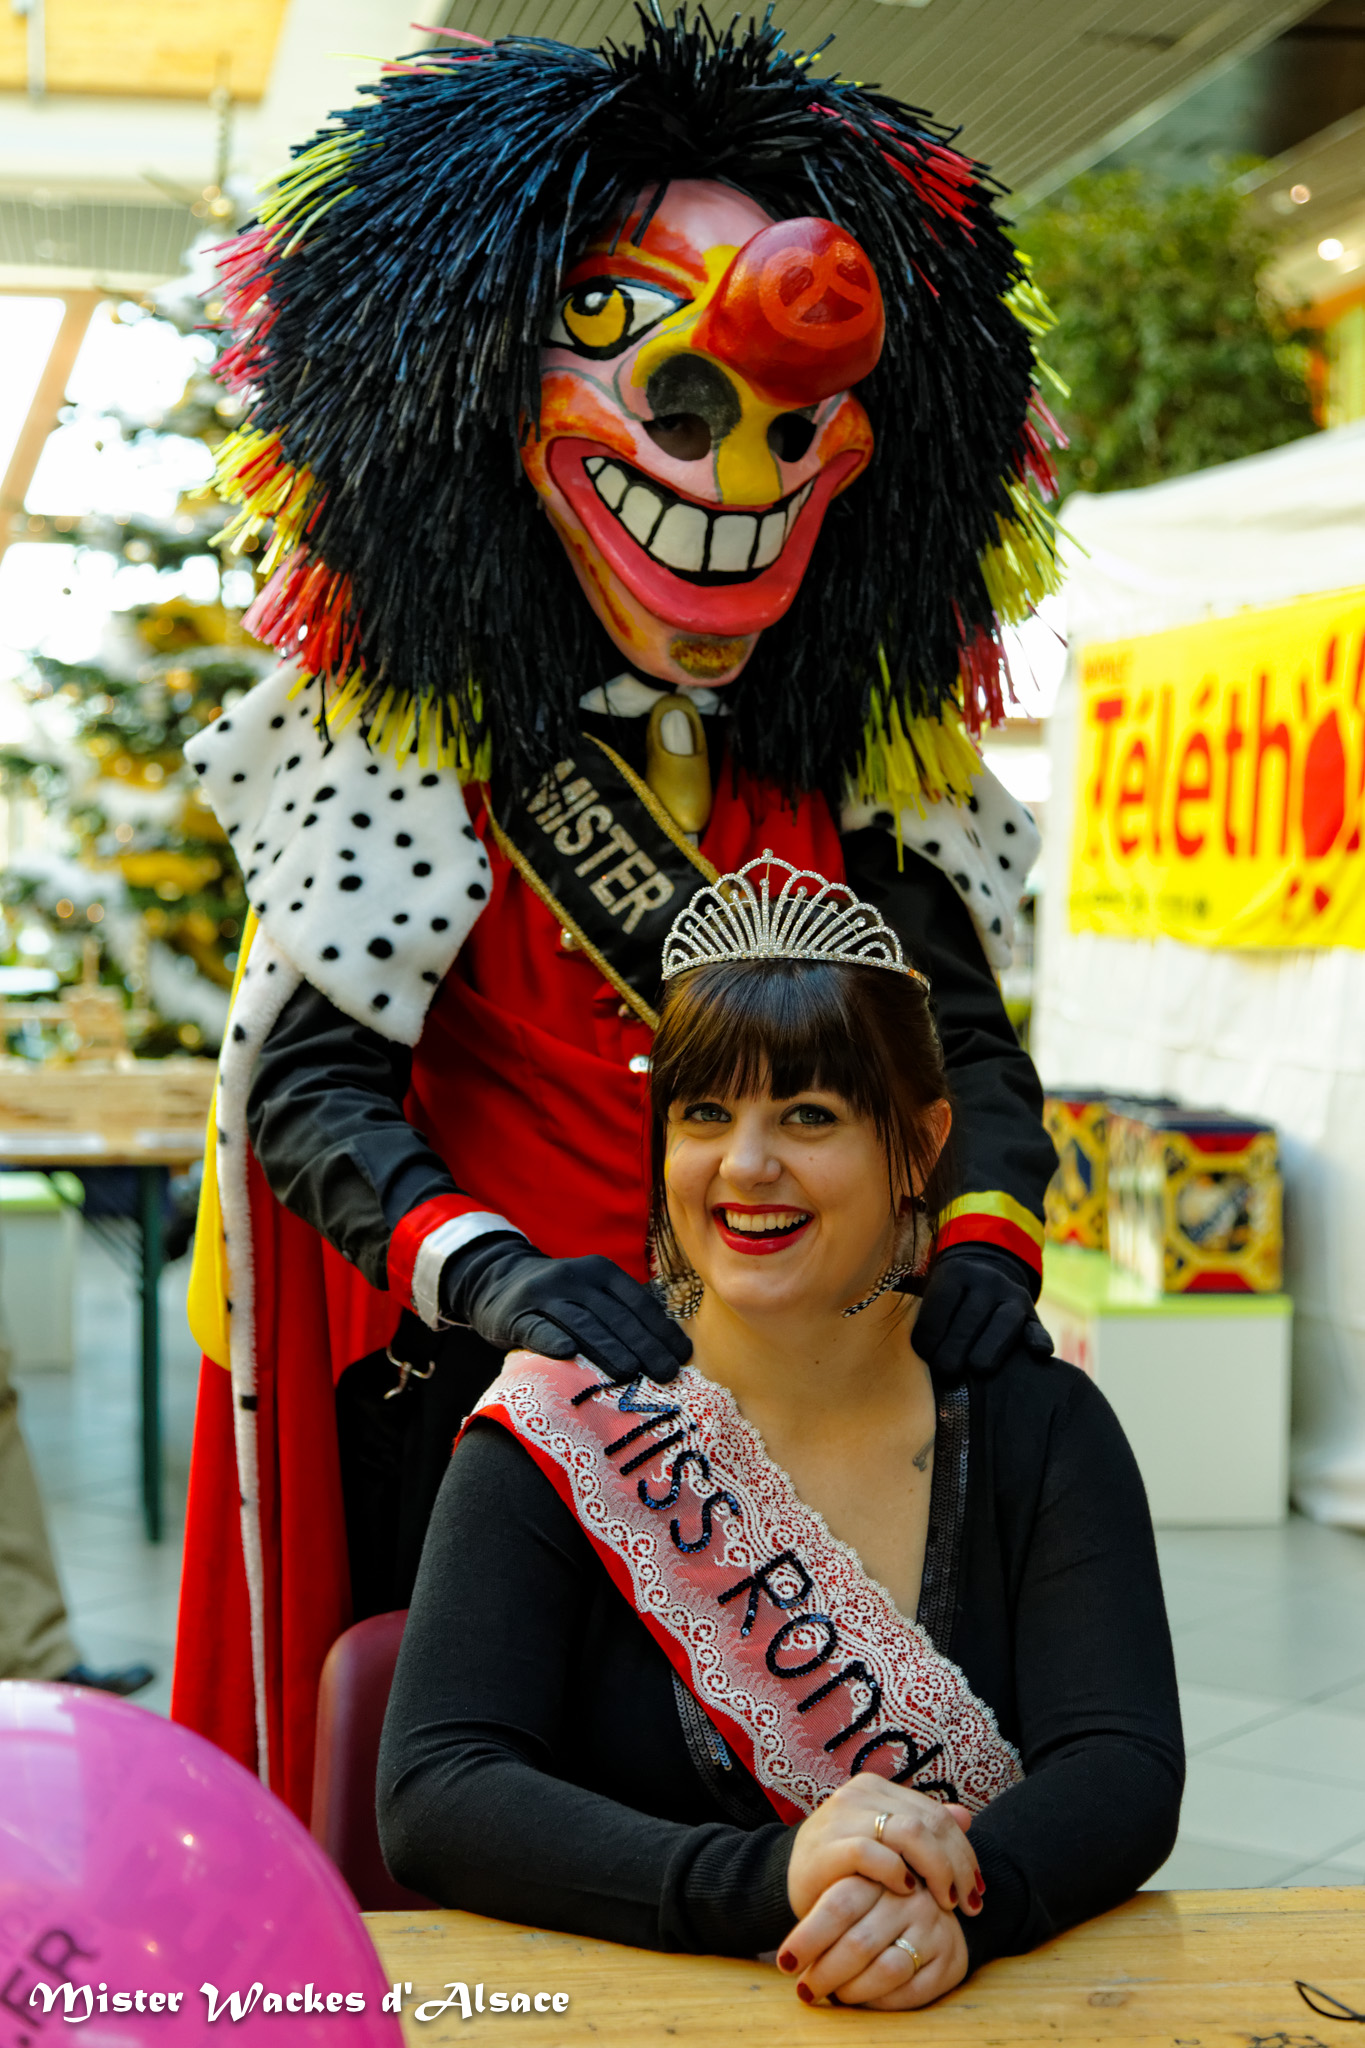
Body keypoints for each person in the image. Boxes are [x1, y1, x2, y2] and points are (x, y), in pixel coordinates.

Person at [174, 9, 1063, 1816]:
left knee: (807, 1821)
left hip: (816, 1390)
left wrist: (985, 1241)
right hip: (505, 1402)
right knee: (505, 1802)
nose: (727, 453)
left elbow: (964, 1047)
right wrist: (486, 1268)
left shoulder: (858, 762)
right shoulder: (412, 744)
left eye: (784, 416)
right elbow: (310, 1090)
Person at [377, 855, 1183, 2006]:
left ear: (919, 1144)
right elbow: (437, 1792)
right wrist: (774, 1877)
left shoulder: (1036, 1417)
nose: (746, 1165)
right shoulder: (562, 1422)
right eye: (706, 1112)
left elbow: (1124, 1766)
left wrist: (960, 1904)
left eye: (809, 1114)